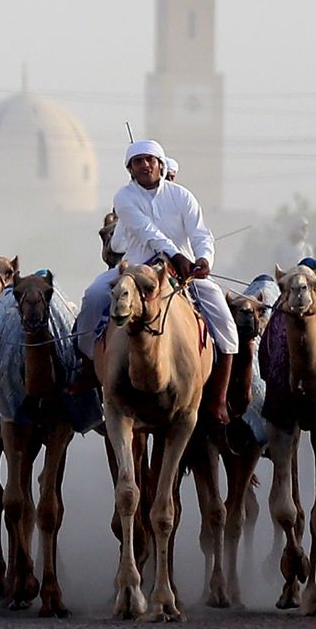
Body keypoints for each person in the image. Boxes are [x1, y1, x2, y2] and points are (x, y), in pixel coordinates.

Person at [72, 140, 238, 426]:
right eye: (138, 162)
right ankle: (90, 367)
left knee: (223, 314)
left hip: (180, 274)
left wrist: (203, 259)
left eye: (150, 160)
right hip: (136, 269)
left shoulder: (182, 196)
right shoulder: (124, 198)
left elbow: (201, 233)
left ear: (160, 164)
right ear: (130, 169)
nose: (145, 166)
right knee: (94, 295)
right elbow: (148, 233)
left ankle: (219, 396)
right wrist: (175, 255)